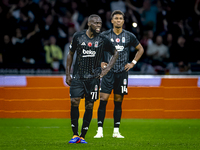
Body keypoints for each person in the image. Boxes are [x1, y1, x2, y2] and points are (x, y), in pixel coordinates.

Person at [65, 14, 119, 144]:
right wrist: (67, 74)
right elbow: (70, 54)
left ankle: (82, 136)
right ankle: (74, 134)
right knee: (74, 101)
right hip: (78, 77)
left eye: (100, 23)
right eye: (96, 23)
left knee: (89, 105)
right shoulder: (78, 36)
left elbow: (116, 52)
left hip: (94, 78)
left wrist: (106, 69)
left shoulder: (103, 39)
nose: (99, 25)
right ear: (89, 24)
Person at [94, 10, 144, 138]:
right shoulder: (104, 35)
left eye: (120, 18)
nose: (118, 20)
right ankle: (99, 131)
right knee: (103, 100)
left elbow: (140, 49)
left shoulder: (128, 36)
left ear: (123, 21)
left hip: (122, 73)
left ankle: (116, 131)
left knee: (118, 101)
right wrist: (100, 62)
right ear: (112, 21)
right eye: (116, 18)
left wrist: (132, 63)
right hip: (108, 72)